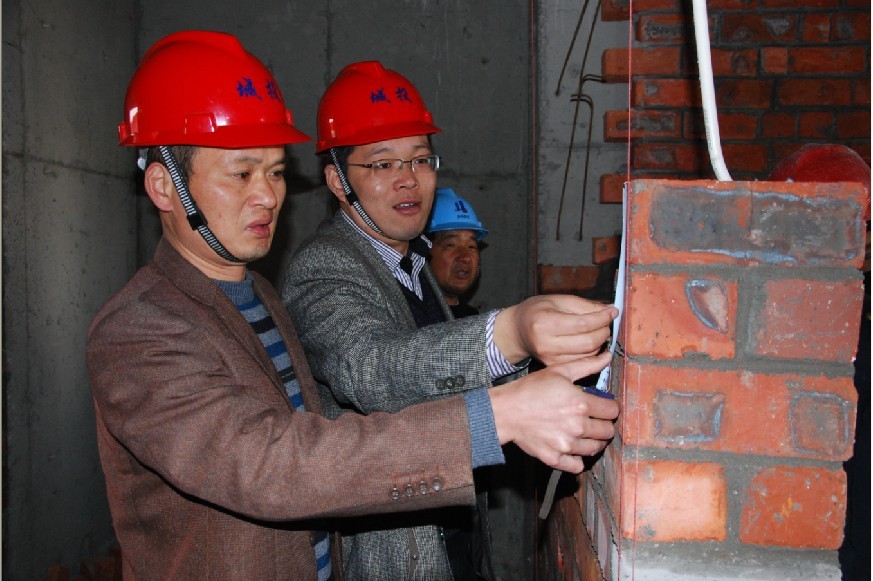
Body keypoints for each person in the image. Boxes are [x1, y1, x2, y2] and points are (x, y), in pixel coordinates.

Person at [87, 33, 620, 580]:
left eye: (275, 172)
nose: (268, 195)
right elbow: (272, 463)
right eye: (242, 173)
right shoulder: (139, 330)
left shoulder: (259, 295)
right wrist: (499, 404)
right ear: (164, 187)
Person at [281, 61, 621, 580]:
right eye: (382, 164)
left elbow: (440, 377)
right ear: (337, 180)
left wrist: (549, 377)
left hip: (454, 540)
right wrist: (509, 332)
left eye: (420, 159)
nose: (408, 179)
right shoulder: (325, 266)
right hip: (397, 559)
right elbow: (371, 369)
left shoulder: (413, 263)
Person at [427, 187, 488, 319]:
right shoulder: (409, 320)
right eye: (451, 245)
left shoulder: (472, 319)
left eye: (471, 246)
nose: (465, 257)